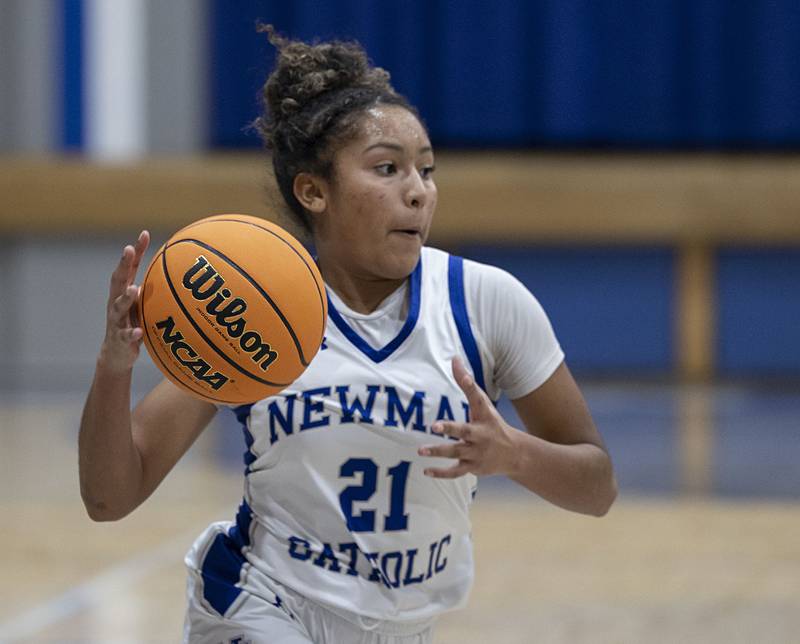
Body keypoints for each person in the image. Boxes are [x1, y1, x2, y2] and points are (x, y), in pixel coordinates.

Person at [79, 26, 617, 644]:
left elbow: (597, 487)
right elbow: (109, 499)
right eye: (387, 168)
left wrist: (513, 454)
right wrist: (113, 366)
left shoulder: (485, 302)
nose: (418, 191)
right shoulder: (252, 312)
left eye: (426, 170)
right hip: (260, 606)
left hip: (404, 627)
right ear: (314, 191)